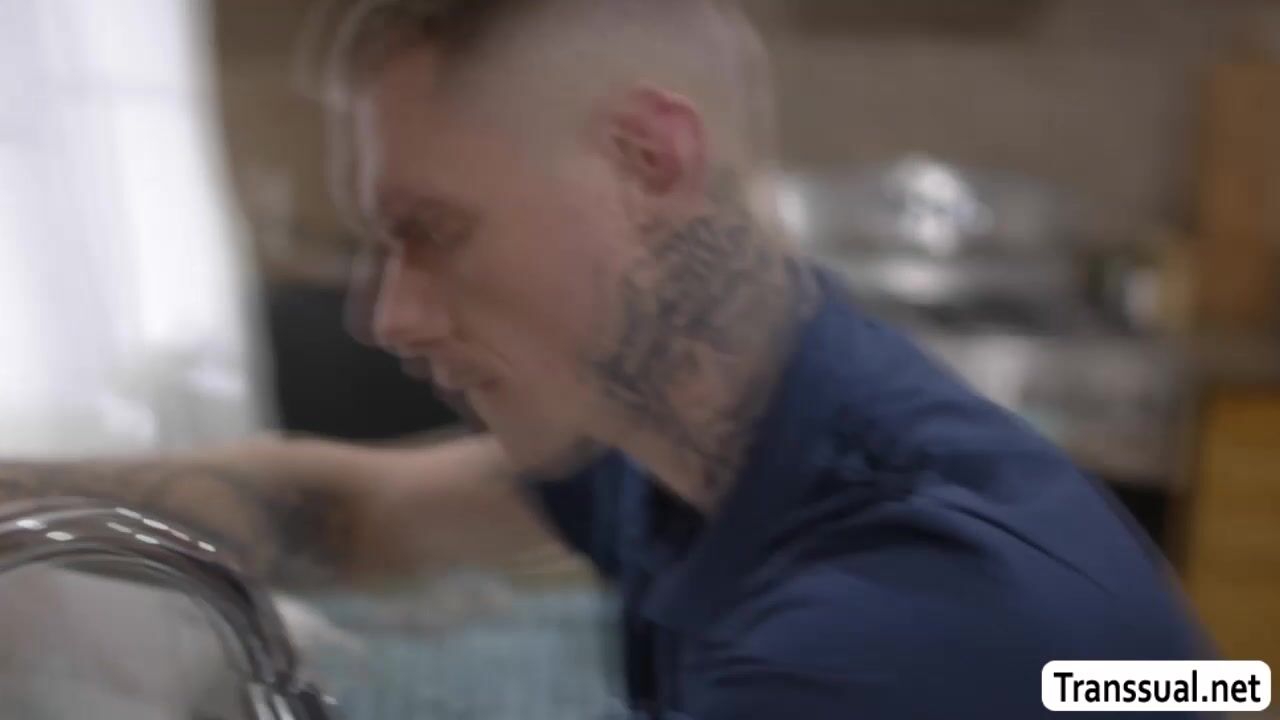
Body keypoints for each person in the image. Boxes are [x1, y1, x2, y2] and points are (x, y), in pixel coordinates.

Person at [0, 0, 1210, 717]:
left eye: (433, 231)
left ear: (646, 161)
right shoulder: (718, 419)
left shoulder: (882, 634)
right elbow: (353, 512)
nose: (386, 315)